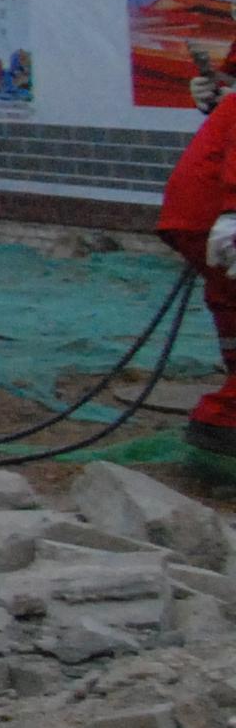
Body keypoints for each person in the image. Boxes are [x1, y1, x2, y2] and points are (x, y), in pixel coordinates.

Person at [165, 70, 236, 465]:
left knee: (232, 308)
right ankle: (225, 421)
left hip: (200, 207)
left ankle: (223, 419)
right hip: (216, 206)